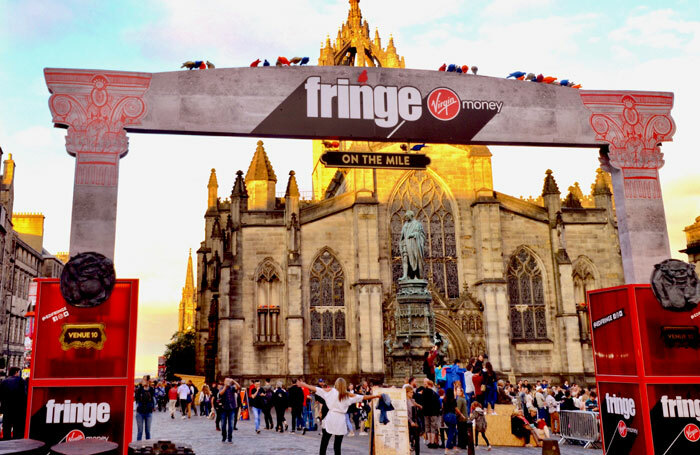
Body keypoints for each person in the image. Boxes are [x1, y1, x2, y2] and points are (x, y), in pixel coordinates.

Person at [298, 378, 380, 455]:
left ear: (336, 384)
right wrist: (376, 396)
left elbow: (316, 389)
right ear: (345, 385)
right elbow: (363, 397)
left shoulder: (330, 391)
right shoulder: (347, 395)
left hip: (331, 418)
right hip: (340, 420)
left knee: (324, 442)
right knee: (337, 446)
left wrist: (304, 385)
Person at [0, 367, 26, 440]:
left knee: (6, 427)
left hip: (7, 409)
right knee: (18, 429)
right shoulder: (21, 381)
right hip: (19, 409)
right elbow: (25, 395)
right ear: (16, 372)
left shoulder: (4, 382)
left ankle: (6, 440)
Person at [219, 378, 240, 443]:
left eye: (229, 381)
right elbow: (221, 393)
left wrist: (233, 381)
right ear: (224, 382)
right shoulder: (222, 387)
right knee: (223, 424)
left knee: (231, 424)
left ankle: (230, 438)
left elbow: (238, 387)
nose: (228, 382)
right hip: (223, 409)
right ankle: (224, 437)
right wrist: (225, 386)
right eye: (226, 381)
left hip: (231, 408)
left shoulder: (232, 388)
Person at [421, 378, 441, 449]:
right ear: (432, 385)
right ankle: (432, 442)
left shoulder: (424, 392)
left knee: (427, 426)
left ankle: (429, 441)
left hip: (426, 412)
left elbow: (422, 402)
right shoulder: (434, 393)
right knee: (433, 426)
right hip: (433, 412)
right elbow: (438, 403)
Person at [135, 376, 155, 441]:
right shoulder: (139, 389)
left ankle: (148, 445)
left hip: (148, 412)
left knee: (148, 431)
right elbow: (136, 398)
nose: (145, 381)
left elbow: (152, 398)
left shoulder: (151, 389)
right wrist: (141, 385)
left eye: (146, 380)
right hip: (140, 412)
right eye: (144, 380)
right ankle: (138, 446)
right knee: (140, 431)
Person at [442, 388, 459, 454]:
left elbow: (442, 408)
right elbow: (456, 409)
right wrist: (462, 415)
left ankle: (455, 447)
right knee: (452, 433)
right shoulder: (453, 400)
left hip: (446, 417)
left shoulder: (444, 400)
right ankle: (447, 448)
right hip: (452, 416)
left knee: (453, 431)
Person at [406, 387, 421, 455]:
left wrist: (419, 406)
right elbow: (406, 413)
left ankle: (417, 453)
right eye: (411, 392)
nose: (412, 394)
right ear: (407, 392)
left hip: (415, 421)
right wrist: (411, 422)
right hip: (409, 422)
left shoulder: (412, 400)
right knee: (409, 438)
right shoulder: (405, 401)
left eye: (412, 392)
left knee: (417, 439)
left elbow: (415, 404)